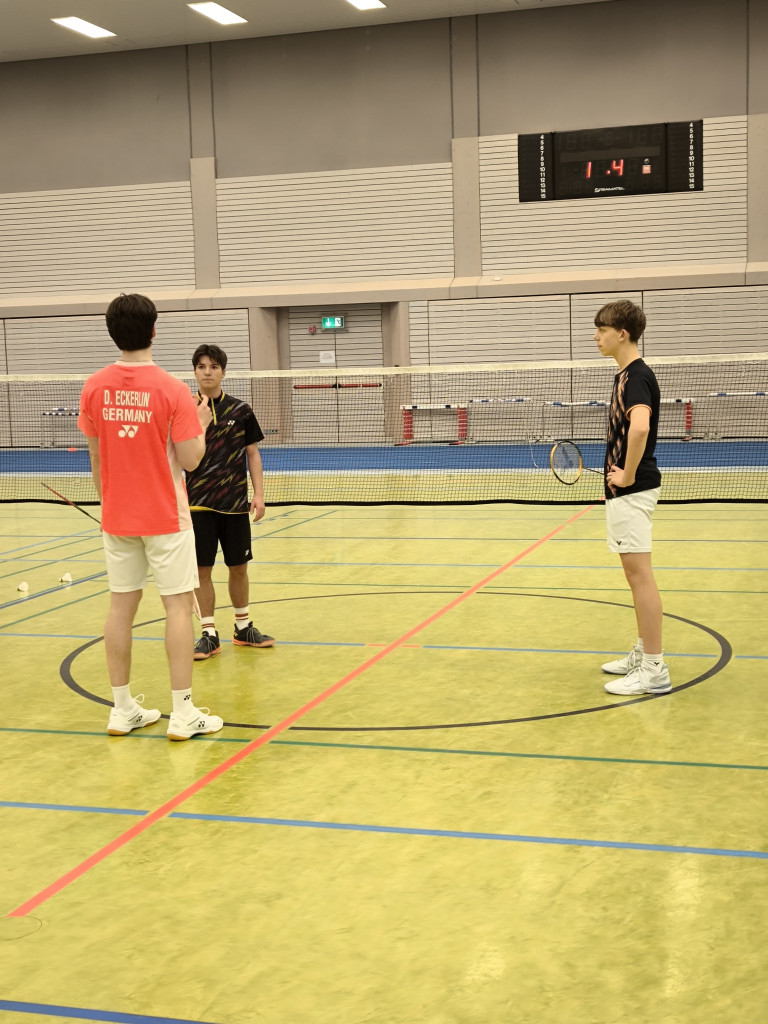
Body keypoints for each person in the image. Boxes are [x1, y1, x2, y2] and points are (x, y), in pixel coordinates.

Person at [78, 293, 224, 740]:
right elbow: (192, 459)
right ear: (154, 330)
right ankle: (182, 714)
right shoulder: (173, 390)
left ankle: (121, 710)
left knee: (121, 606)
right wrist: (199, 422)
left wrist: (110, 506)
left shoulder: (94, 386)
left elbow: (95, 456)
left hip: (118, 518)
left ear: (112, 333)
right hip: (165, 516)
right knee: (178, 606)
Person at [593, 299, 671, 695]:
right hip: (628, 490)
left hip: (633, 489)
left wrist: (625, 474)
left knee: (640, 577)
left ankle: (654, 668)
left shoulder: (636, 376)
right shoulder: (625, 375)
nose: (596, 336)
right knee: (633, 575)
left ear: (621, 333)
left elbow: (639, 428)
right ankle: (643, 652)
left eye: (602, 330)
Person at [185, 344, 274, 660]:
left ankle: (243, 626)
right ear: (194, 371)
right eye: (201, 366)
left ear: (223, 371)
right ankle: (208, 633)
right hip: (197, 505)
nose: (207, 372)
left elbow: (252, 454)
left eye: (213, 366)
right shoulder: (182, 409)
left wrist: (259, 494)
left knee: (239, 567)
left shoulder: (241, 410)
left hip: (235, 503)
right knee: (201, 570)